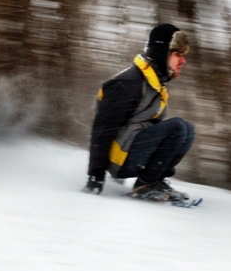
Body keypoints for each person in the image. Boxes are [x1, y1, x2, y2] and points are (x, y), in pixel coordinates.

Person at [83, 23, 195, 202]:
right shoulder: (130, 82)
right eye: (178, 54)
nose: (183, 61)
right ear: (162, 52)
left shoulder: (156, 82)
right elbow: (102, 129)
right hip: (118, 159)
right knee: (178, 128)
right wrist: (95, 176)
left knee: (187, 130)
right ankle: (146, 185)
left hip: (132, 152)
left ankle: (154, 181)